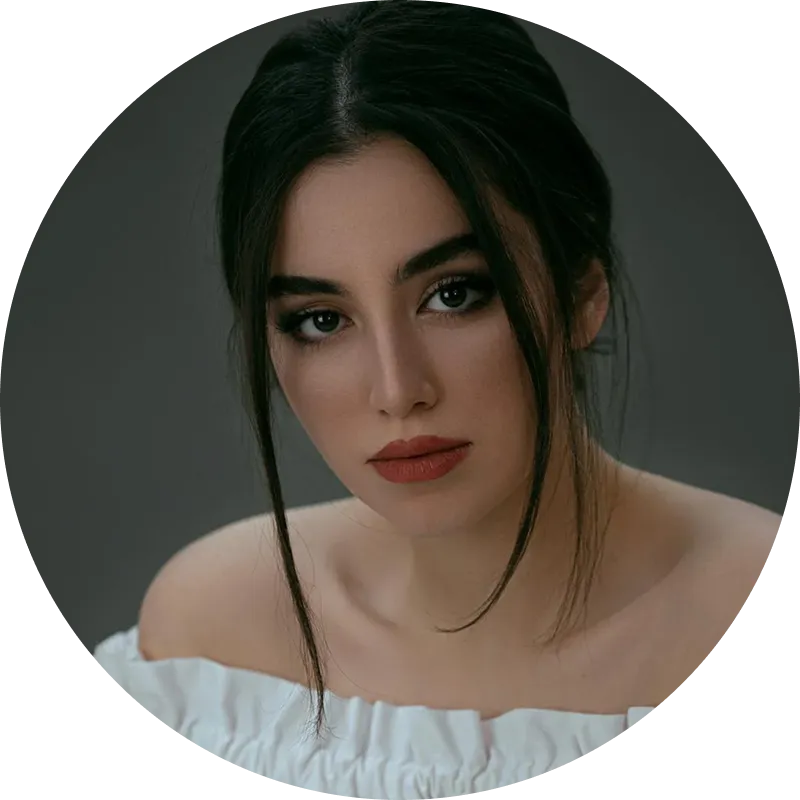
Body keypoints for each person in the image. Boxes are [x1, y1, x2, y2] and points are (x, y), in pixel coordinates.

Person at [90, 1, 781, 793]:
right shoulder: (214, 640)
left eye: (454, 294)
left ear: (582, 289)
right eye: (321, 319)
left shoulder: (734, 604)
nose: (396, 389)